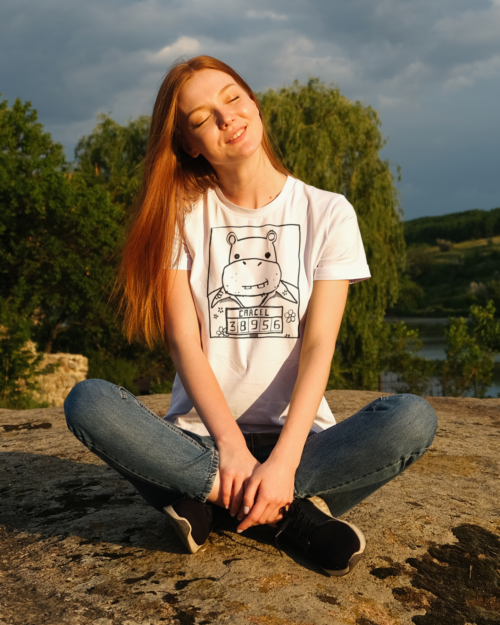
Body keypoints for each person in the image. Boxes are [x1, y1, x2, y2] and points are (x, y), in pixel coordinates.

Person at [64, 55, 438, 577]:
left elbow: (318, 344)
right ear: (190, 145)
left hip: (303, 443)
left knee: (413, 418)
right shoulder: (181, 213)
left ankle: (209, 503)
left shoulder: (328, 212)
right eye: (200, 119)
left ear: (254, 102)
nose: (225, 118)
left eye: (232, 98)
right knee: (89, 401)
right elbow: (183, 341)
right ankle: (285, 517)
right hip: (198, 440)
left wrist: (283, 463)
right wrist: (232, 450)